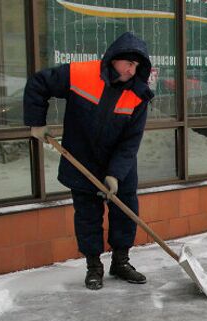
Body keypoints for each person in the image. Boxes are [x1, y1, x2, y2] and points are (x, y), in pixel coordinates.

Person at [23, 32, 154, 290]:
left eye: (136, 66)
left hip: (120, 165)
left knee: (125, 214)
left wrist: (115, 174)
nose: (131, 69)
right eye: (128, 63)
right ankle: (94, 267)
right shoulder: (80, 73)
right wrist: (36, 122)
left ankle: (121, 262)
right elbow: (39, 83)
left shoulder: (138, 95)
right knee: (87, 217)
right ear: (114, 59)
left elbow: (131, 141)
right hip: (81, 159)